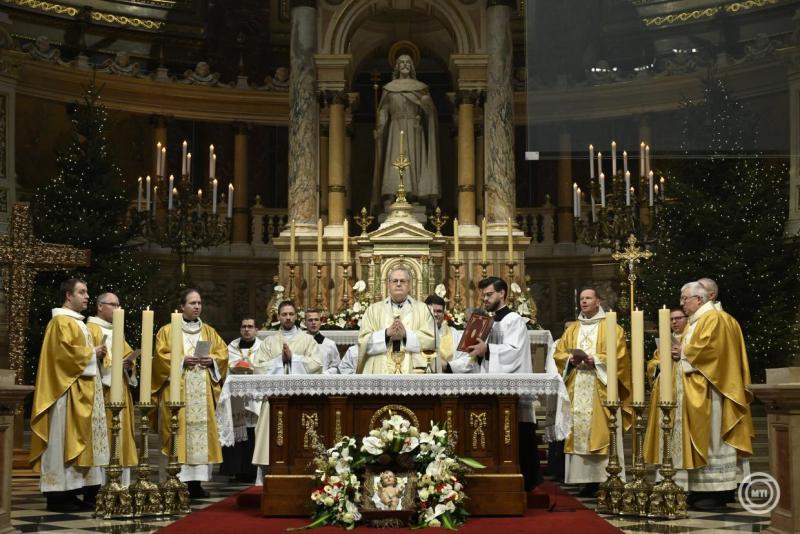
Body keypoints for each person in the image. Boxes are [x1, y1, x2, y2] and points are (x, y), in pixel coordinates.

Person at [649, 281, 753, 510]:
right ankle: (698, 490)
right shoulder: (698, 321)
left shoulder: (714, 318)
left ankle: (716, 492)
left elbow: (715, 351)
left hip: (711, 392)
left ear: (700, 299)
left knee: (712, 441)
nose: (681, 303)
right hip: (695, 389)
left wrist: (683, 351)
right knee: (702, 441)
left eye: (684, 298)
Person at [448, 277, 542, 491]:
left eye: (489, 294)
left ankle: (524, 482)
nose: (485, 298)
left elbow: (515, 353)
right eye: (483, 295)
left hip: (511, 392)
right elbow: (474, 351)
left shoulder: (514, 320)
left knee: (518, 436)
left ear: (502, 294)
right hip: (488, 390)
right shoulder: (486, 321)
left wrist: (488, 350)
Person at [30, 279, 109, 512]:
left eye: (87, 291)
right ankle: (58, 495)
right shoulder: (60, 322)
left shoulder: (78, 323)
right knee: (62, 439)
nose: (86, 296)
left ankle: (74, 491)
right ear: (68, 295)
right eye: (81, 292)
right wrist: (91, 352)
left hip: (82, 390)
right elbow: (60, 356)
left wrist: (97, 355)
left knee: (79, 441)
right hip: (65, 393)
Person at [552, 288, 631, 497]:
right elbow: (560, 352)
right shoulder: (573, 329)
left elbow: (620, 357)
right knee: (579, 433)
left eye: (588, 298)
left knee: (602, 432)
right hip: (577, 386)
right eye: (581, 299)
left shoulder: (612, 328)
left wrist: (594, 360)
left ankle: (606, 479)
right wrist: (569, 360)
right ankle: (586, 480)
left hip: (601, 388)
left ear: (598, 301)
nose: (584, 302)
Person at [153, 288, 228, 499]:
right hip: (178, 394)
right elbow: (159, 359)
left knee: (200, 437)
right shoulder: (167, 331)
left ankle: (195, 484)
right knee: (177, 434)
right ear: (182, 306)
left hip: (202, 394)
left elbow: (222, 355)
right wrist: (180, 360)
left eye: (199, 303)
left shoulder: (209, 332)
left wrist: (211, 361)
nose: (197, 307)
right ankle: (174, 480)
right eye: (193, 303)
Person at [251, 301, 323, 482]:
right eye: (284, 314)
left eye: (291, 314)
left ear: (296, 316)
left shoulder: (307, 340)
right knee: (269, 438)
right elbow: (257, 367)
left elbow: (317, 364)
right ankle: (266, 480)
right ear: (278, 317)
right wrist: (279, 361)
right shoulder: (269, 342)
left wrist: (294, 359)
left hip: (301, 401)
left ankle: (302, 475)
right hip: (274, 400)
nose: (288, 318)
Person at [372, 54, 440, 207]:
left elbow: (430, 112)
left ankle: (413, 195)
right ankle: (392, 194)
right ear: (396, 66)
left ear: (412, 66)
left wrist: (425, 104)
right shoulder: (389, 88)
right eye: (401, 62)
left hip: (414, 128)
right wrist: (380, 125)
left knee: (414, 159)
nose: (404, 65)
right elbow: (384, 109)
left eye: (407, 62)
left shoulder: (421, 88)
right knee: (394, 158)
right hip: (395, 127)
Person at [86, 292, 138, 486]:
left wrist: (130, 365)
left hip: (121, 390)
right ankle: (99, 485)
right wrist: (109, 362)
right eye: (113, 305)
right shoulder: (90, 328)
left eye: (119, 305)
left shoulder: (117, 331)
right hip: (102, 391)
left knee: (121, 435)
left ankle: (119, 484)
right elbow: (88, 360)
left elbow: (127, 357)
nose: (118, 309)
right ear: (100, 306)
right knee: (104, 435)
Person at [356, 267, 435, 374]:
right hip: (380, 372)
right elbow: (363, 342)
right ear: (388, 285)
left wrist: (406, 335)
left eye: (402, 281)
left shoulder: (424, 310)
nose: (398, 284)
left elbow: (431, 341)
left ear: (409, 285)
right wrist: (386, 334)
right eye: (394, 281)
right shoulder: (373, 310)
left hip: (413, 372)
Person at [221, 317, 262, 482]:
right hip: (235, 395)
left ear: (256, 330)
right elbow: (225, 365)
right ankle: (236, 469)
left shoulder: (262, 347)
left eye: (250, 327)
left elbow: (265, 365)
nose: (247, 329)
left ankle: (252, 471)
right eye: (244, 326)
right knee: (237, 429)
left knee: (253, 431)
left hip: (254, 395)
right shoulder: (231, 347)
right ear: (240, 329)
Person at [645, 308, 687, 388]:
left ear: (687, 319)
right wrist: (660, 365)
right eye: (671, 319)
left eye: (678, 318)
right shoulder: (665, 340)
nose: (674, 322)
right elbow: (653, 363)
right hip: (666, 384)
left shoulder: (690, 338)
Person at [424, 295, 462, 368]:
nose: (435, 314)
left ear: (444, 314)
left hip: (447, 377)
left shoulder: (455, 334)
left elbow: (466, 359)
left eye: (439, 311)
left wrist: (446, 366)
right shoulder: (416, 333)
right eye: (432, 311)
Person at [305, 308, 342, 373]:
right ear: (305, 323)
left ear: (320, 322)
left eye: (316, 320)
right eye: (310, 320)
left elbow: (336, 366)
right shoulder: (299, 342)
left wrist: (325, 374)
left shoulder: (330, 344)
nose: (313, 323)